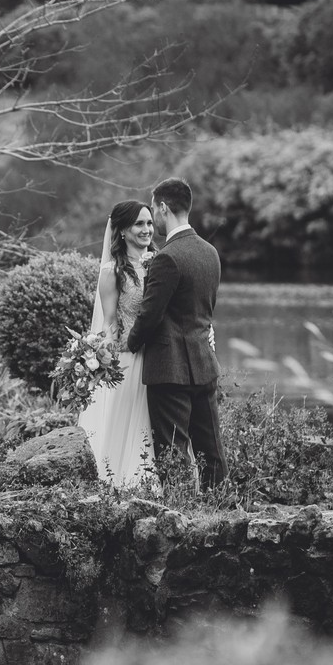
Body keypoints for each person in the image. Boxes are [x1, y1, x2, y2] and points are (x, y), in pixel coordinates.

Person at [125, 177, 227, 490]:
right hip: (204, 363)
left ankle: (180, 512)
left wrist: (130, 344)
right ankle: (218, 507)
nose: (152, 216)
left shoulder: (167, 257)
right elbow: (203, 311)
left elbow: (150, 316)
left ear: (164, 207)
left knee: (172, 448)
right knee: (210, 447)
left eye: (154, 208)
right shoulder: (210, 252)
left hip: (170, 370)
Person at [77, 200, 157, 489]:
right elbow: (110, 321)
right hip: (130, 357)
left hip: (162, 354)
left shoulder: (163, 261)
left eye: (149, 223)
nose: (147, 229)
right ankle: (123, 482)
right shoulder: (112, 272)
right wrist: (103, 358)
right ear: (122, 230)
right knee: (129, 422)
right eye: (139, 224)